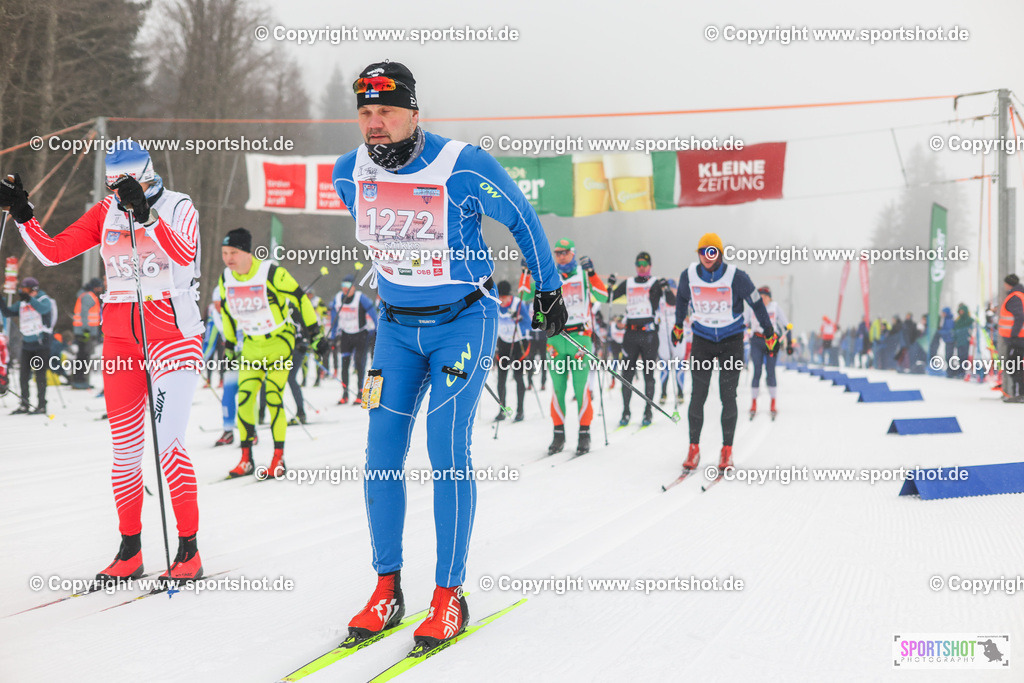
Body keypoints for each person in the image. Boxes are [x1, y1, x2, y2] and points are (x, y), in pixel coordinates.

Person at [332, 60, 565, 652]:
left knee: (446, 449)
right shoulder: (347, 173)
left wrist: (548, 289)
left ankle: (448, 594)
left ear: (415, 112)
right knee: (381, 455)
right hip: (394, 330)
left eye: (387, 110)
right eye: (366, 112)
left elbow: (522, 217)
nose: (375, 122)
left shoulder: (463, 165)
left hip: (463, 322)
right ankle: (387, 588)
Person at [2, 142, 205, 581]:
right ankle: (130, 550)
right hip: (120, 341)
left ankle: (188, 550)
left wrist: (147, 216)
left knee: (169, 445)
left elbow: (184, 254)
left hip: (172, 336)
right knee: (125, 452)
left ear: (147, 177)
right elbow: (54, 252)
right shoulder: (105, 211)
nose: (119, 195)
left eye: (126, 186)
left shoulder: (179, 206)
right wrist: (23, 214)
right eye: (113, 187)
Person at [218, 228, 323, 478]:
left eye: (233, 252)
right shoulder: (226, 278)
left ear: (247, 252)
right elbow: (226, 313)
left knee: (273, 395)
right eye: (224, 253)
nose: (228, 258)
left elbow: (301, 299)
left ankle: (278, 458)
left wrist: (315, 333)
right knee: (245, 398)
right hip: (252, 346)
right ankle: (246, 459)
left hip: (279, 342)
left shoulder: (271, 273)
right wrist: (230, 346)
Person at [672, 233, 778, 473]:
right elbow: (681, 300)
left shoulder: (737, 277)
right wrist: (678, 325)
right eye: (702, 252)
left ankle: (727, 450)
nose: (707, 257)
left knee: (727, 396)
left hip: (731, 341)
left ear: (720, 254)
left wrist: (769, 332)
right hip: (702, 341)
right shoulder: (688, 276)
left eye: (712, 252)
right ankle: (693, 448)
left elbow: (757, 304)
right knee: (697, 395)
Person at [543, 239, 609, 454]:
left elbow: (603, 296)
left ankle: (584, 433)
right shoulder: (549, 275)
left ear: (573, 253)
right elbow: (531, 300)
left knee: (581, 389)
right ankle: (558, 435)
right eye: (557, 253)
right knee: (558, 389)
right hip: (556, 339)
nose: (561, 256)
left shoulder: (583, 275)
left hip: (580, 339)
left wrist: (592, 273)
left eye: (565, 252)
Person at [608, 251, 675, 427]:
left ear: (650, 266)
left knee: (648, 375)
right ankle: (626, 411)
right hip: (630, 335)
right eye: (638, 264)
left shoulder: (655, 283)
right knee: (627, 375)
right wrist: (610, 285)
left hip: (649, 335)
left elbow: (672, 301)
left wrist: (666, 288)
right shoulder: (629, 283)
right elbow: (609, 297)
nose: (641, 267)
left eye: (645, 264)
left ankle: (648, 411)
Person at [0, 276, 56, 413]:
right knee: (23, 375)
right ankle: (24, 403)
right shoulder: (22, 303)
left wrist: (30, 299)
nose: (23, 292)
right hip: (27, 343)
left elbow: (44, 309)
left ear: (33, 289)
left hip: (41, 344)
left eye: (26, 290)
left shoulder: (44, 299)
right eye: (22, 290)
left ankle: (41, 404)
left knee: (40, 376)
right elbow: (7, 312)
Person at [745, 286, 792, 418]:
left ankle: (773, 403)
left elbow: (786, 325)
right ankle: (753, 403)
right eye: (761, 297)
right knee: (757, 371)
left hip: (771, 342)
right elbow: (742, 323)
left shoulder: (775, 307)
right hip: (756, 340)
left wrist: (789, 343)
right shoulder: (752, 307)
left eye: (766, 297)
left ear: (770, 298)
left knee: (771, 371)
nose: (763, 299)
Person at [331, 273, 377, 405]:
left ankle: (360, 393)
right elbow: (334, 319)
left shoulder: (360, 298)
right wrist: (333, 337)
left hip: (360, 335)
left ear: (354, 287)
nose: (345, 288)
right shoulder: (338, 299)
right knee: (344, 364)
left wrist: (378, 331)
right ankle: (345, 394)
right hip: (346, 335)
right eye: (343, 285)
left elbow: (373, 315)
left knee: (359, 363)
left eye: (348, 285)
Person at [204, 289, 239, 446]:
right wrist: (199, 360)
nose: (218, 307)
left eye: (220, 304)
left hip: (249, 355)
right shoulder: (215, 315)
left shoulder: (239, 311)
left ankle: (251, 432)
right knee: (227, 396)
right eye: (215, 304)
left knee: (246, 395)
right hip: (231, 357)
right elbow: (209, 341)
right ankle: (228, 431)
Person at [494, 280, 531, 423]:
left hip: (518, 343)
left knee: (518, 377)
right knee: (501, 379)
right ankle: (502, 410)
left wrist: (519, 318)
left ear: (510, 295)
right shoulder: (495, 304)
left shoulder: (518, 304)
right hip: (503, 343)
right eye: (500, 297)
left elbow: (529, 324)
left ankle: (520, 411)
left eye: (504, 297)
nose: (502, 300)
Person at [71, 277, 103, 389]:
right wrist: (86, 330)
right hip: (85, 331)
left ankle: (79, 380)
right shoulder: (88, 296)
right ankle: (79, 380)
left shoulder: (86, 295)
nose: (101, 289)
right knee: (83, 356)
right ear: (95, 287)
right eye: (99, 286)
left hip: (84, 330)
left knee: (83, 356)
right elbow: (84, 314)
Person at [998, 274, 1024, 401]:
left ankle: (1020, 394)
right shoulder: (1019, 295)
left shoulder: (1015, 297)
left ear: (1009, 284)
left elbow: (1019, 317)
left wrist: (1013, 334)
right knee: (1015, 365)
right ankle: (1018, 393)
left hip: (1017, 339)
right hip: (1018, 338)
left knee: (1014, 366)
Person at [952, 304, 974, 379]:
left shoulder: (969, 320)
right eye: (960, 311)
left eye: (962, 311)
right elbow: (955, 331)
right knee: (960, 357)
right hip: (959, 342)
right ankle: (960, 372)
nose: (961, 313)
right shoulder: (958, 321)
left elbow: (971, 331)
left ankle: (965, 372)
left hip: (966, 342)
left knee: (965, 357)